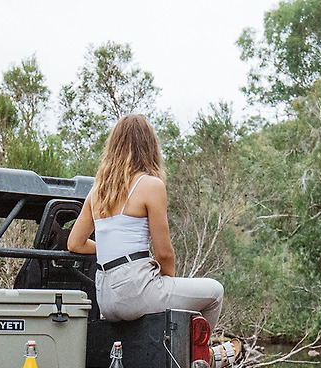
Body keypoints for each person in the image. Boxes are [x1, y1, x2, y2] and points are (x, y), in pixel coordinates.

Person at [67, 114, 224, 332]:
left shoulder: (97, 191)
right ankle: (198, 363)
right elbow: (164, 254)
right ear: (150, 147)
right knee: (215, 292)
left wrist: (112, 251)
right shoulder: (151, 185)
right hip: (135, 292)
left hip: (106, 298)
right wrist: (167, 284)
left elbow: (75, 243)